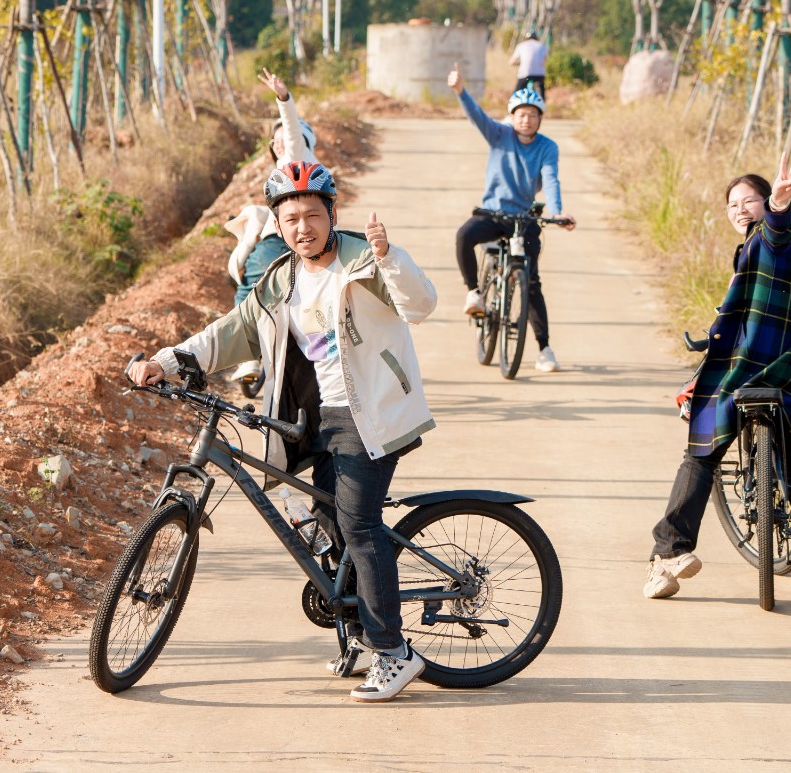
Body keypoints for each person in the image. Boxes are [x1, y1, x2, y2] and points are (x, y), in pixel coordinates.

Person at [125, 160, 439, 703]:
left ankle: (393, 651)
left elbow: (421, 304)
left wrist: (391, 257)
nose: (303, 228)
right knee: (327, 519)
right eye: (291, 219)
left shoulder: (364, 260)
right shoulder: (281, 279)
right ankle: (359, 631)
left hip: (370, 414)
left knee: (358, 524)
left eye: (312, 215)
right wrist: (166, 361)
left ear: (332, 215)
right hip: (316, 417)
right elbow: (233, 331)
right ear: (278, 224)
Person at [644, 154, 791, 603]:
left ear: (766, 204)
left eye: (749, 201)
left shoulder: (773, 239)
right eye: (732, 205)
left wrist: (778, 207)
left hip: (748, 374)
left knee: (699, 456)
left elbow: (779, 235)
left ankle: (669, 556)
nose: (741, 210)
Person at [447, 62, 575, 373]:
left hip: (524, 220)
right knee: (464, 235)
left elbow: (551, 179)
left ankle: (544, 349)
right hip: (493, 214)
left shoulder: (548, 148)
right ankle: (474, 293)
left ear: (540, 119)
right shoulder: (499, 134)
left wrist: (557, 211)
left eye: (532, 115)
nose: (526, 119)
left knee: (531, 281)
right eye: (520, 114)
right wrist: (461, 91)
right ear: (512, 117)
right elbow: (478, 117)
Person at [225, 69, 323, 387]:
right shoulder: (316, 173)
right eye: (274, 140)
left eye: (284, 139)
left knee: (247, 291)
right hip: (314, 245)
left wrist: (283, 98)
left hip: (278, 243)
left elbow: (292, 132)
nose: (279, 143)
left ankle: (246, 356)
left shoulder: (295, 160)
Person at [509, 30, 548, 98]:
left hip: (525, 74)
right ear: (536, 38)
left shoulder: (521, 45)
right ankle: (542, 100)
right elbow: (544, 61)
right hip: (539, 75)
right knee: (542, 93)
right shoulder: (543, 46)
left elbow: (511, 61)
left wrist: (517, 63)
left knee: (517, 94)